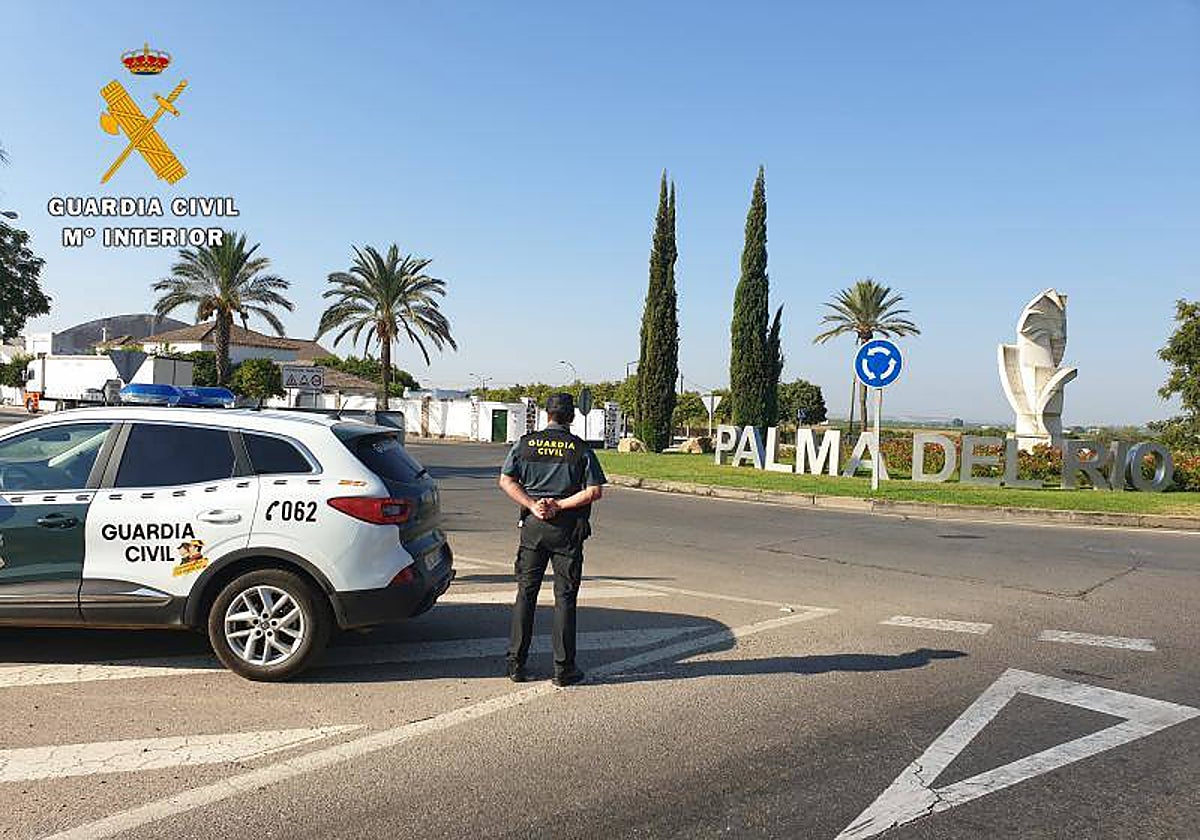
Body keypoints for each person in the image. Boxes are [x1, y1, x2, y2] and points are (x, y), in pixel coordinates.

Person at [499, 393, 606, 686]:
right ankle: (563, 668)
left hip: (533, 526)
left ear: (547, 414)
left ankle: (515, 665)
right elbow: (594, 490)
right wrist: (560, 505)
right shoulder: (579, 448)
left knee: (526, 594)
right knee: (565, 598)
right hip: (567, 530)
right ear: (571, 417)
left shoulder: (525, 444)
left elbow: (506, 480)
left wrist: (533, 504)